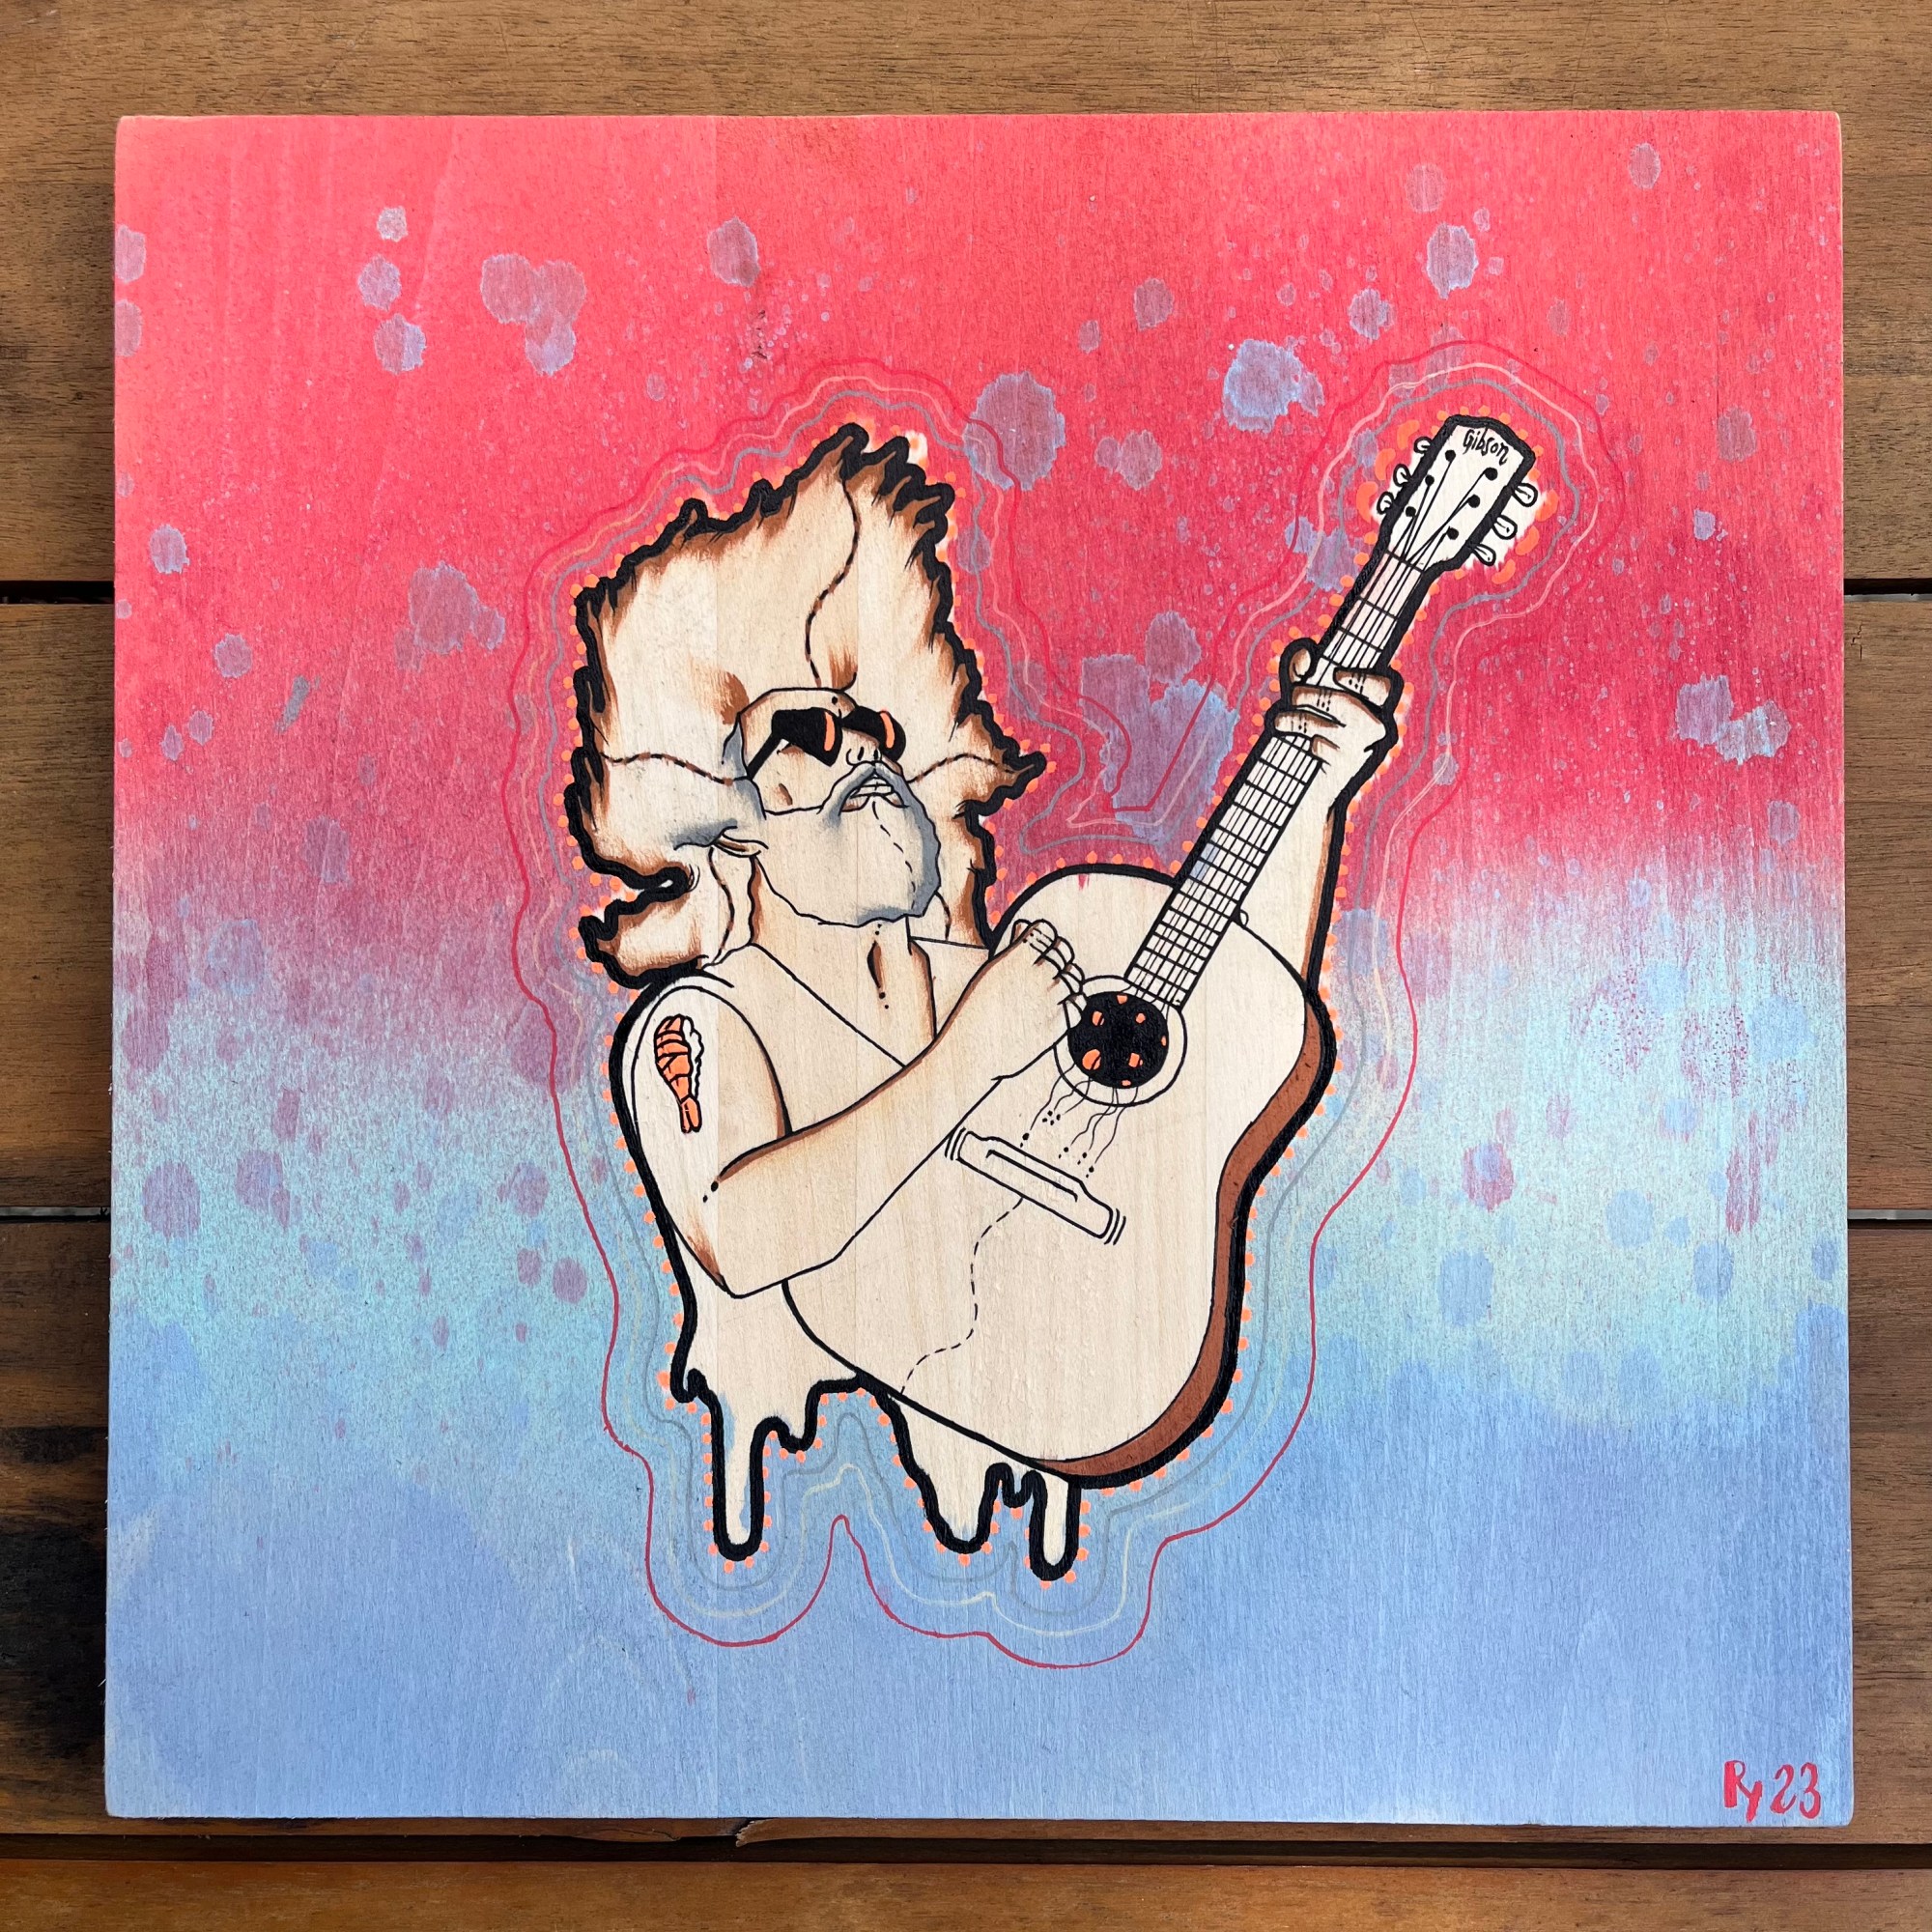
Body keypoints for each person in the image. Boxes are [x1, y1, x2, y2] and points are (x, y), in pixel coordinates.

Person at [567, 423, 1392, 1569]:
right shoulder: (703, 1024)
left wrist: (1309, 796)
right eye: (809, 731)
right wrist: (970, 1060)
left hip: (1050, 1492)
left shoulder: (993, 979)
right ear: (725, 818)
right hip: (821, 1534)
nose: (864, 751)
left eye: (875, 726)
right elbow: (744, 1235)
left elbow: (1237, 1031)